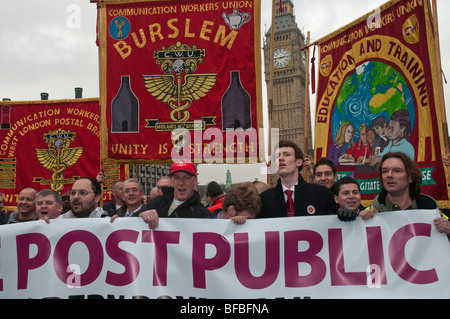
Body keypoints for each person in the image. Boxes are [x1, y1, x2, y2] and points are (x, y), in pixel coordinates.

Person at [368, 152, 450, 236]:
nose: (389, 175)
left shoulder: (429, 206)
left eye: (397, 171)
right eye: (385, 171)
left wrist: (448, 231)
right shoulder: (375, 209)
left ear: (410, 177)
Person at [259, 140, 338, 218]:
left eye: (286, 154)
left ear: (299, 162)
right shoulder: (264, 200)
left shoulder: (322, 194)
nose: (281, 158)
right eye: (277, 156)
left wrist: (346, 215)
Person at [137, 160, 211, 229]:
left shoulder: (203, 214)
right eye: (177, 178)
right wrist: (142, 215)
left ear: (195, 181)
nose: (181, 182)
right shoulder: (158, 202)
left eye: (186, 178)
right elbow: (131, 221)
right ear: (172, 181)